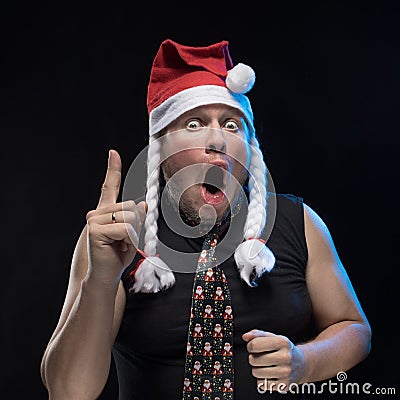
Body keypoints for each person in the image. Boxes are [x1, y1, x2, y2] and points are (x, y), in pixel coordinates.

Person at [40, 39, 371, 399]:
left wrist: (305, 362)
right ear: (160, 148)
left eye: (231, 125)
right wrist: (103, 278)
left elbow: (354, 328)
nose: (218, 140)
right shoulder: (116, 235)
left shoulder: (299, 222)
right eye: (194, 123)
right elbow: (69, 391)